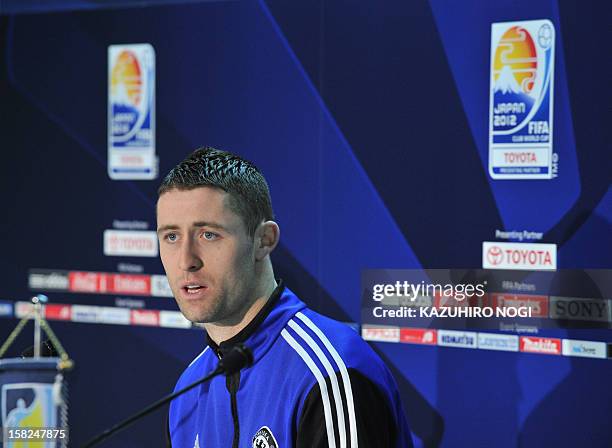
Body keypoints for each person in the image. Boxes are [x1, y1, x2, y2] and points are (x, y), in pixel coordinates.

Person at [157, 147, 412, 448]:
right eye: (171, 236)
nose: (186, 260)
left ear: (264, 241)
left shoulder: (329, 373)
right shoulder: (188, 390)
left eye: (208, 234)